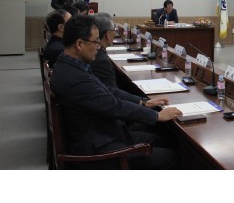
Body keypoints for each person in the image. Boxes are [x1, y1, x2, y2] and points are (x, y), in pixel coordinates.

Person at [50, 15, 182, 169]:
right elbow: (113, 106)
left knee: (164, 138)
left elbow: (107, 90)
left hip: (101, 133)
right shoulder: (74, 78)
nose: (98, 46)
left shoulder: (69, 65)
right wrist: (157, 116)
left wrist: (142, 102)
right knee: (174, 156)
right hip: (99, 150)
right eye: (96, 42)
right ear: (79, 44)